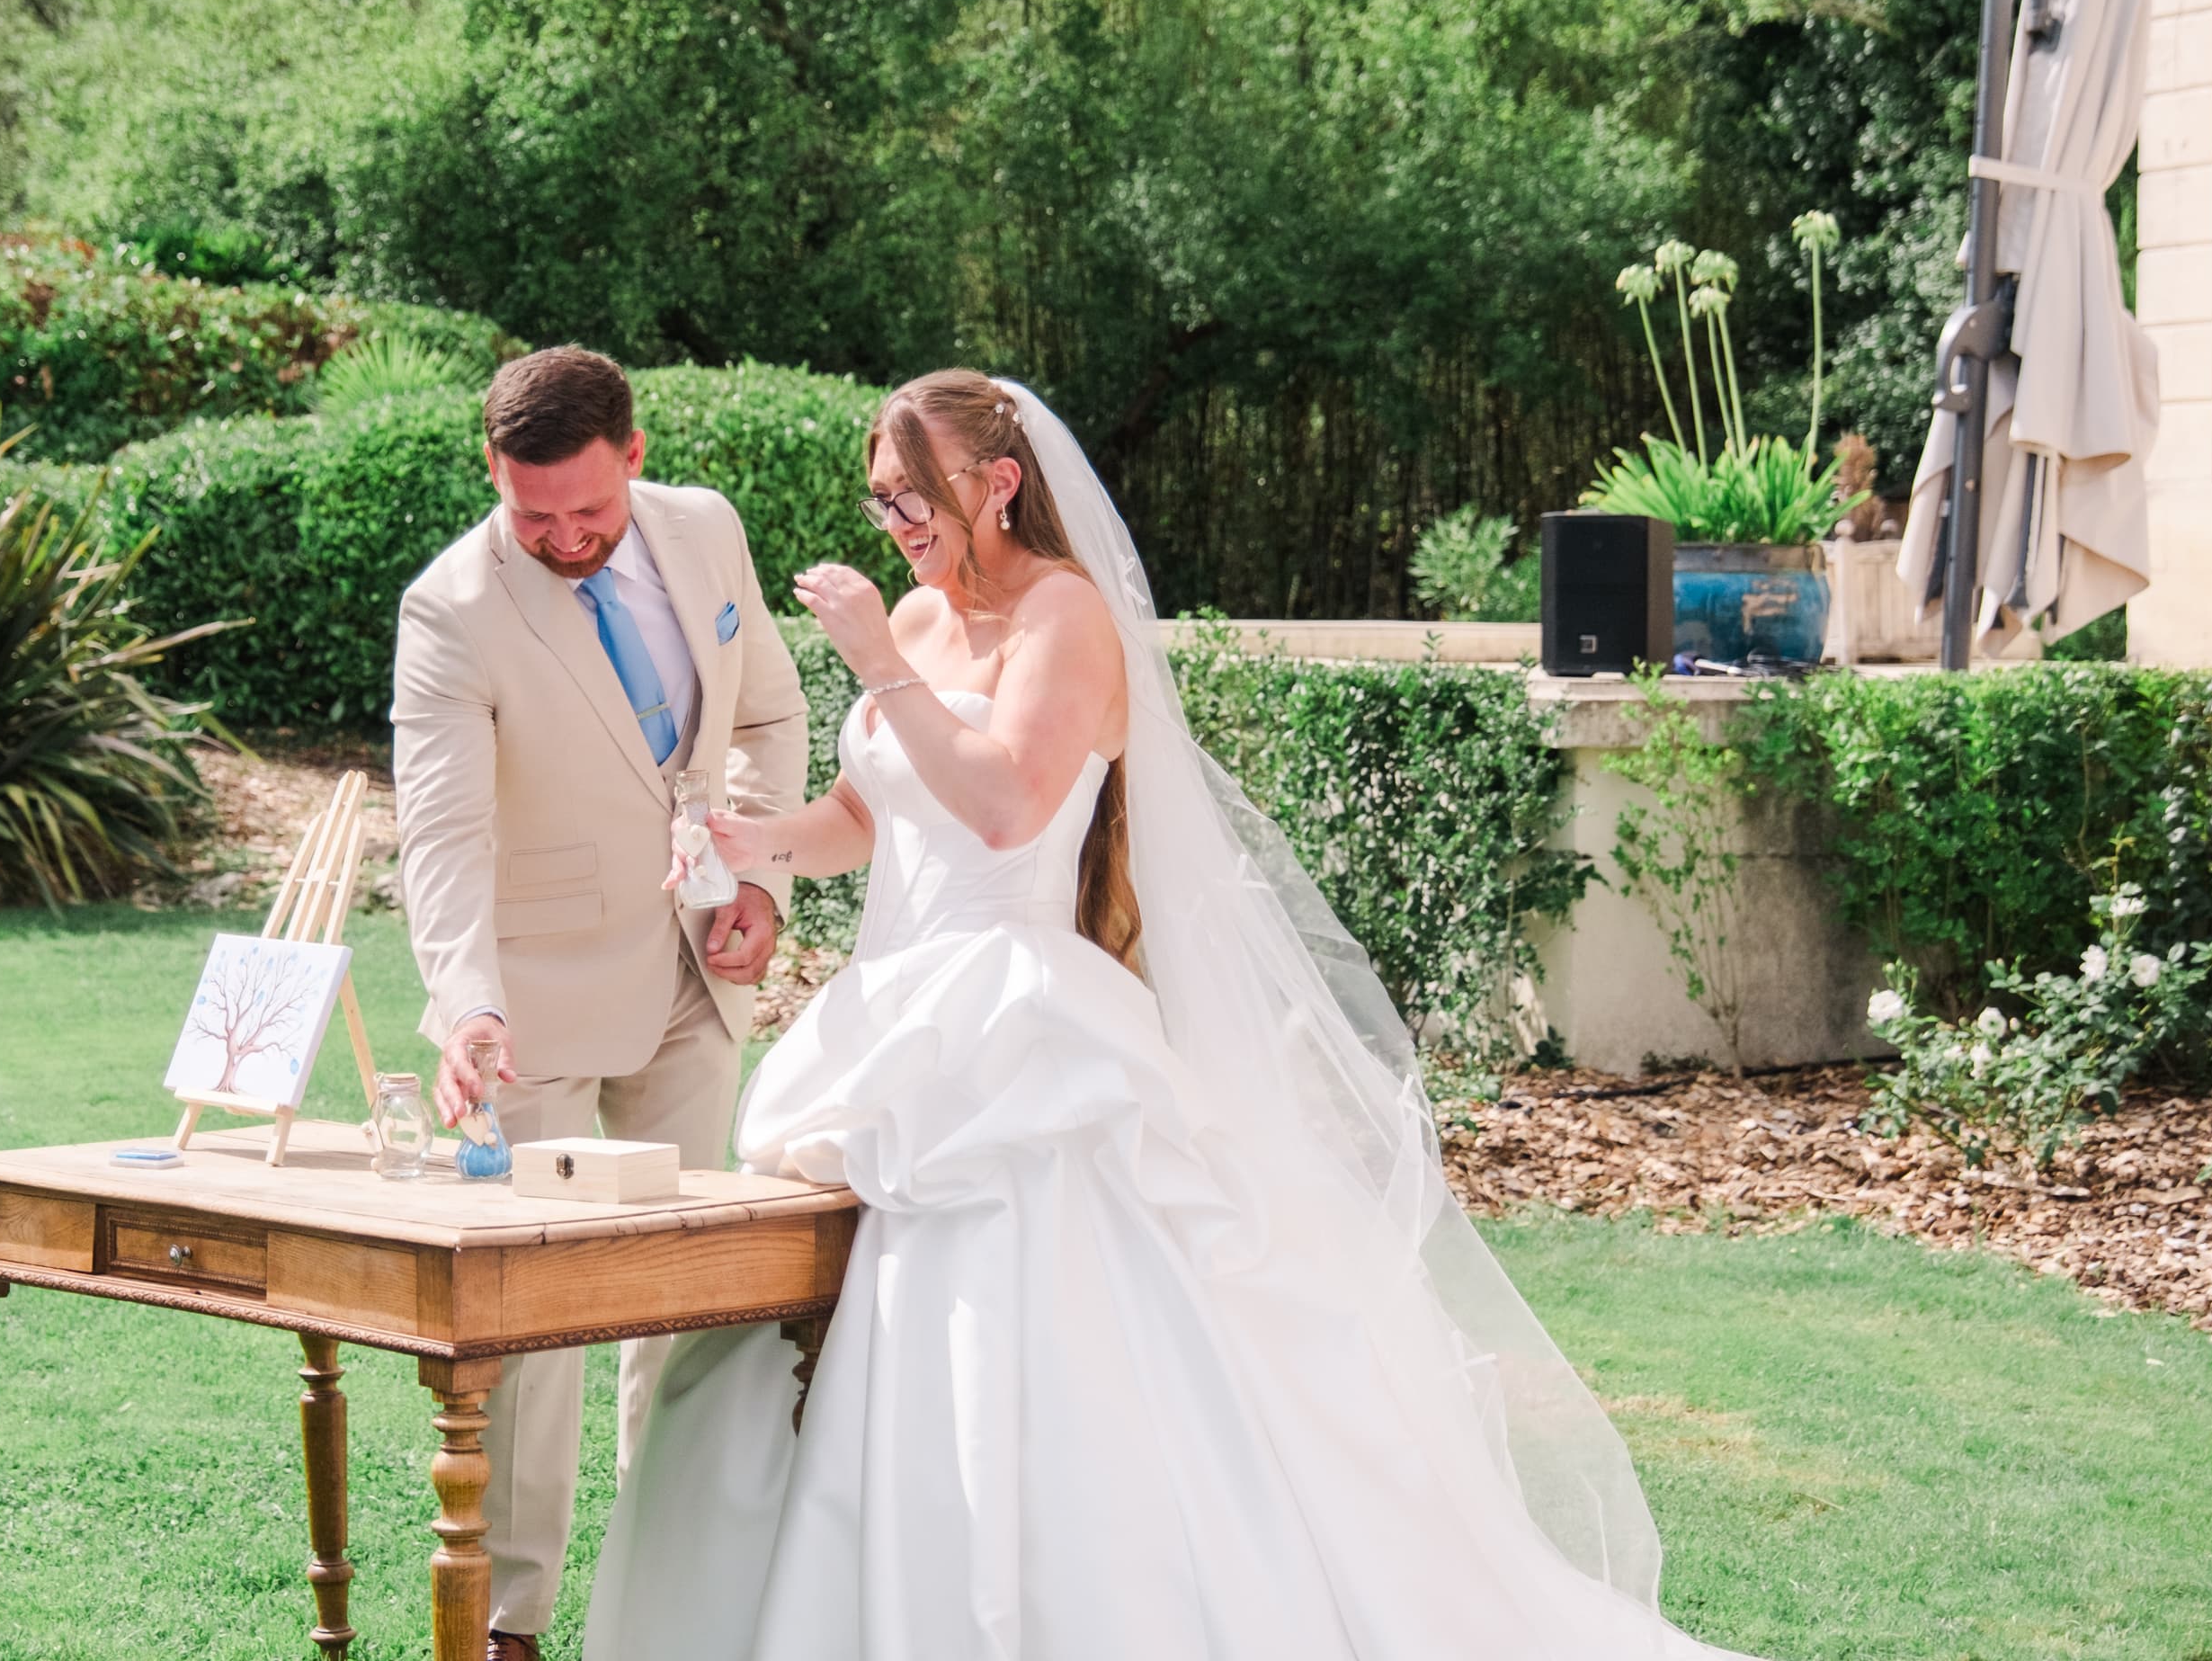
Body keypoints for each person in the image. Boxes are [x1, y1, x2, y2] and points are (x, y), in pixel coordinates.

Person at [584, 369, 1759, 1659]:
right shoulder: (922, 624)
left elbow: (1003, 808)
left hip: (1014, 1029)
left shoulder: (1064, 621)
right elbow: (873, 815)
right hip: (889, 1023)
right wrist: (757, 843)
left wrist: (869, 656)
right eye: (883, 501)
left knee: (1012, 1323)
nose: (899, 524)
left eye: (918, 498)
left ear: (1001, 483)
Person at [391, 344, 809, 1661]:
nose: (565, 538)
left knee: (680, 1308)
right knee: (536, 1325)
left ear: (634, 454)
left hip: (697, 974)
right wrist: (466, 1003)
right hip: (537, 1000)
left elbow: (772, 719)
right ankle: (512, 1622)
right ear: (493, 478)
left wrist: (758, 877)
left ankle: (665, 1609)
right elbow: (443, 836)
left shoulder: (706, 527)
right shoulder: (450, 608)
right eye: (533, 517)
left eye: (588, 510)